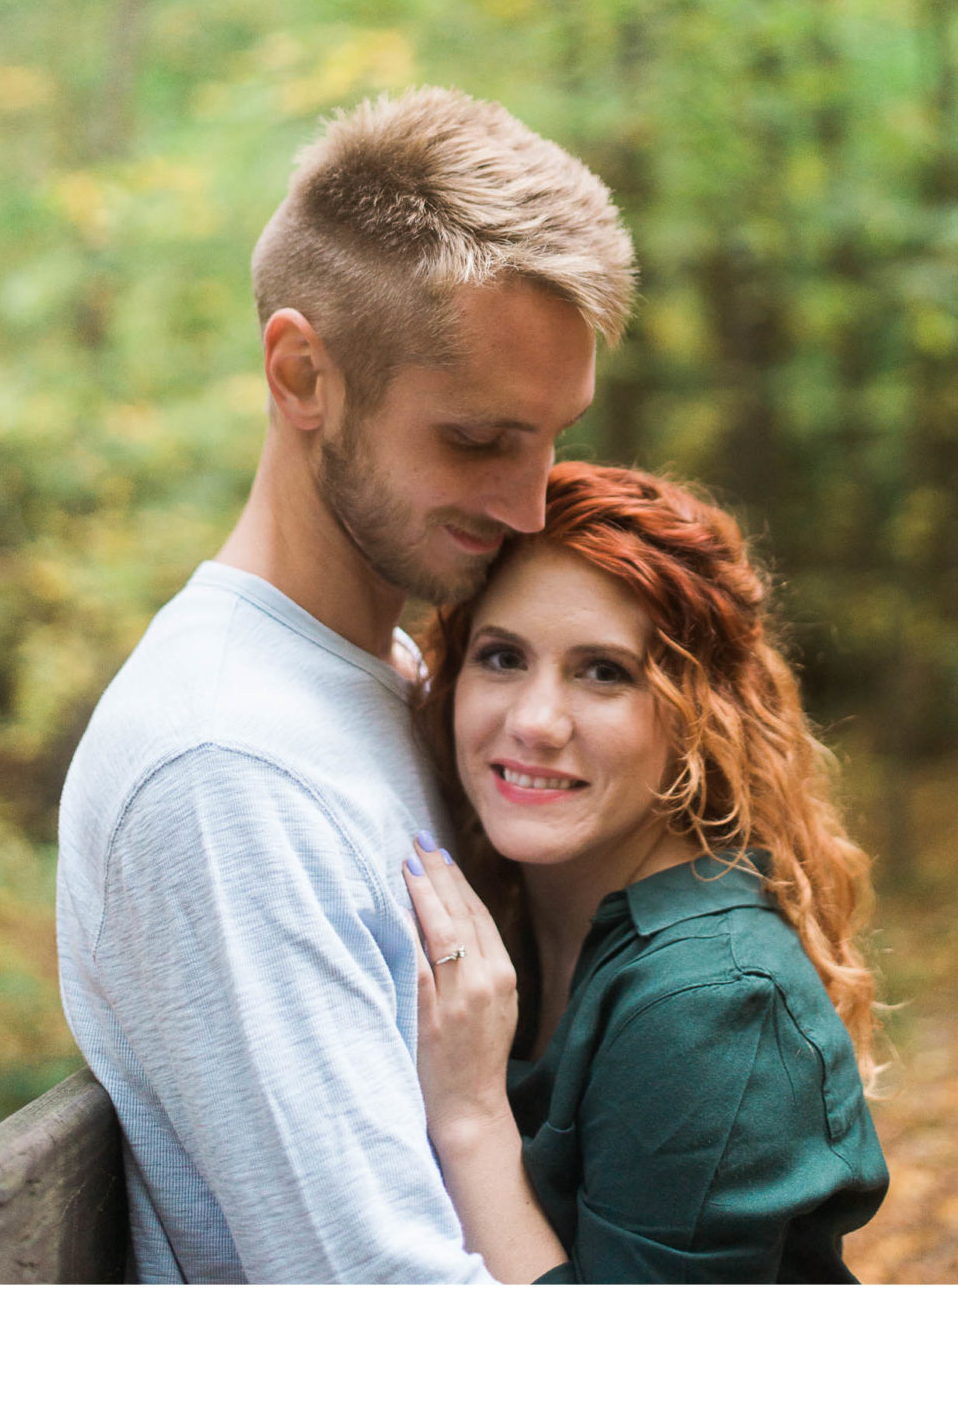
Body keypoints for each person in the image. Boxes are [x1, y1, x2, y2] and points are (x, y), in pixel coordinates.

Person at [56, 88, 635, 1282]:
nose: (532, 505)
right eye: (478, 440)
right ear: (301, 373)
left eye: (552, 436)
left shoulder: (395, 669)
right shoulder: (225, 772)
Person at [396, 461, 888, 1282]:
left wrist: (471, 1116)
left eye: (603, 672)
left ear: (697, 713)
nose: (536, 721)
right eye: (502, 657)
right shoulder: (522, 918)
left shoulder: (708, 1002)